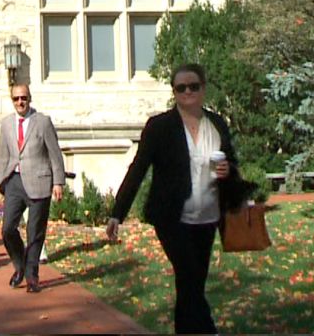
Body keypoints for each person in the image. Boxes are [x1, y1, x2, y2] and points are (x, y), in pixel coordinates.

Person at [106, 63, 250, 334]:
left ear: (203, 89)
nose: (188, 92)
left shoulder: (216, 124)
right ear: (174, 92)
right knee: (189, 279)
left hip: (208, 218)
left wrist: (228, 170)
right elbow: (138, 169)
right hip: (172, 218)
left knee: (190, 286)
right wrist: (118, 213)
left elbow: (232, 164)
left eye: (193, 86)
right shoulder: (160, 127)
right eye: (181, 87)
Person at [0, 83, 64, 294]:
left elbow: (55, 153)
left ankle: (32, 276)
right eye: (16, 99)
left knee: (35, 232)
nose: (20, 102)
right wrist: (2, 182)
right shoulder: (6, 124)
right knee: (7, 229)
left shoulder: (42, 122)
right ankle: (20, 265)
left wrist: (58, 182)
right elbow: (3, 155)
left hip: (39, 180)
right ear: (12, 100)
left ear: (29, 99)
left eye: (23, 98)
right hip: (14, 181)